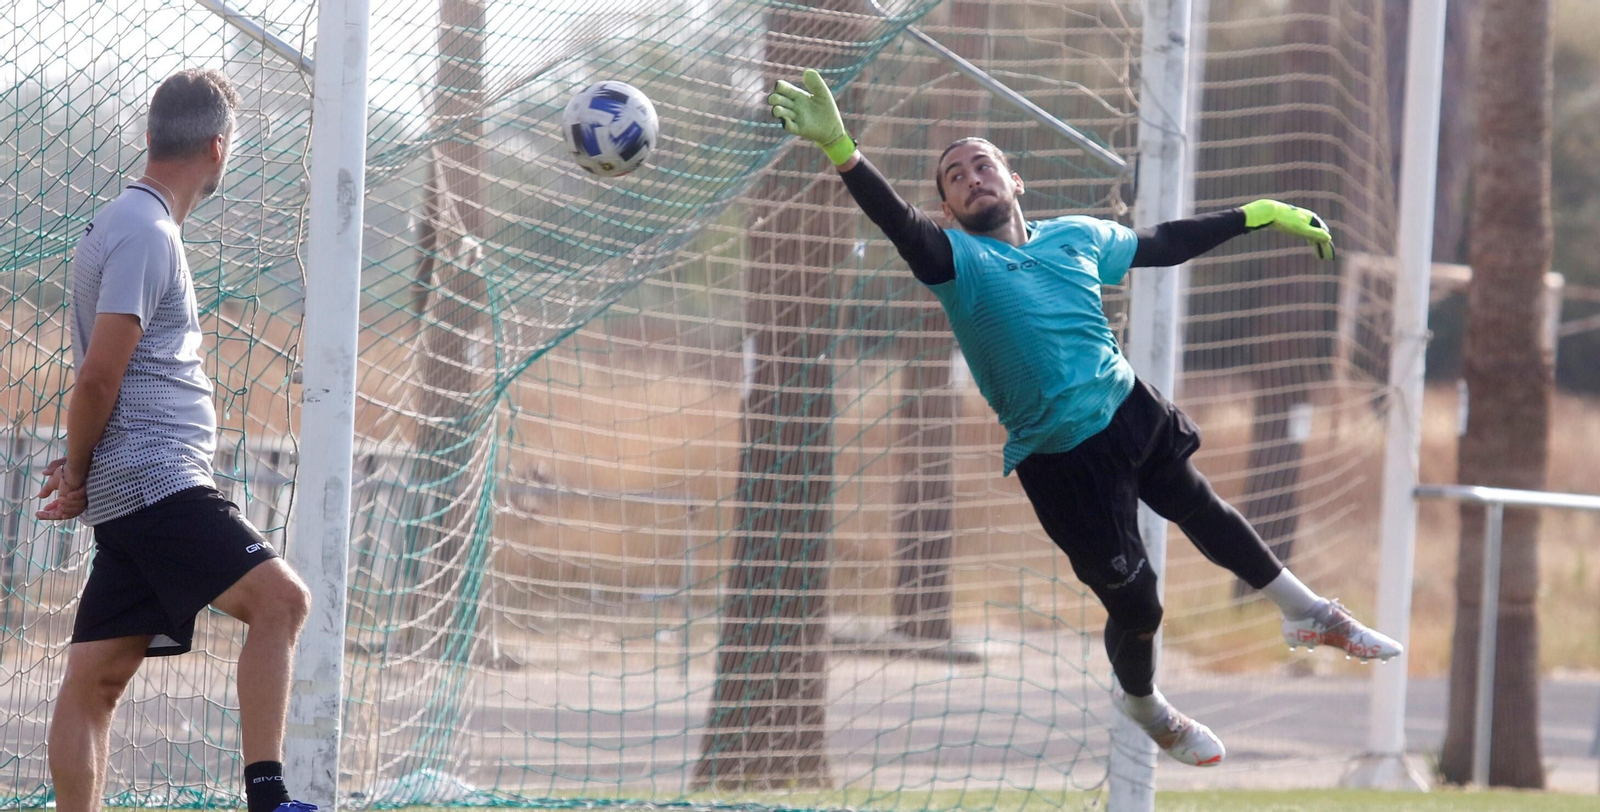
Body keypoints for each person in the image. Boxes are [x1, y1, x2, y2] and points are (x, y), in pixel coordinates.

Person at [767, 69, 1401, 767]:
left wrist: (1258, 212)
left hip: (1129, 406)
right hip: (1063, 457)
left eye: (983, 164)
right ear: (946, 208)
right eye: (953, 176)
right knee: (1141, 608)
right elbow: (896, 221)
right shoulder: (956, 260)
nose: (971, 176)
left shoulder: (1076, 235)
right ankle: (1143, 703)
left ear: (1014, 180)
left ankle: (1308, 613)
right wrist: (843, 150)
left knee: (1203, 508)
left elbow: (1164, 242)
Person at [35, 70, 317, 812]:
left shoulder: (124, 223)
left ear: (154, 134)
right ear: (218, 148)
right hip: (157, 482)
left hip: (135, 490)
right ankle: (269, 797)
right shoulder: (147, 232)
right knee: (281, 602)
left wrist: (87, 470)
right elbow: (98, 377)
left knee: (94, 683)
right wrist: (81, 472)